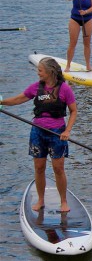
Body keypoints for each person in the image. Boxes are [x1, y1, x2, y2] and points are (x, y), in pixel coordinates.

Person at [1, 57, 77, 212]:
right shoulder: (36, 87)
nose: (38, 73)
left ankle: (63, 202)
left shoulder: (64, 89)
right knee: (39, 167)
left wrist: (67, 130)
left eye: (40, 70)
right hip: (37, 132)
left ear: (49, 71)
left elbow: (74, 111)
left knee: (58, 168)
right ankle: (41, 200)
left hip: (57, 133)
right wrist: (1, 102)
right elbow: (18, 99)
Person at [65, 0, 92, 72]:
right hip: (75, 19)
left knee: (87, 43)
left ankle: (88, 66)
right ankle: (68, 66)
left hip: (87, 19)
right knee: (72, 43)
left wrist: (86, 12)